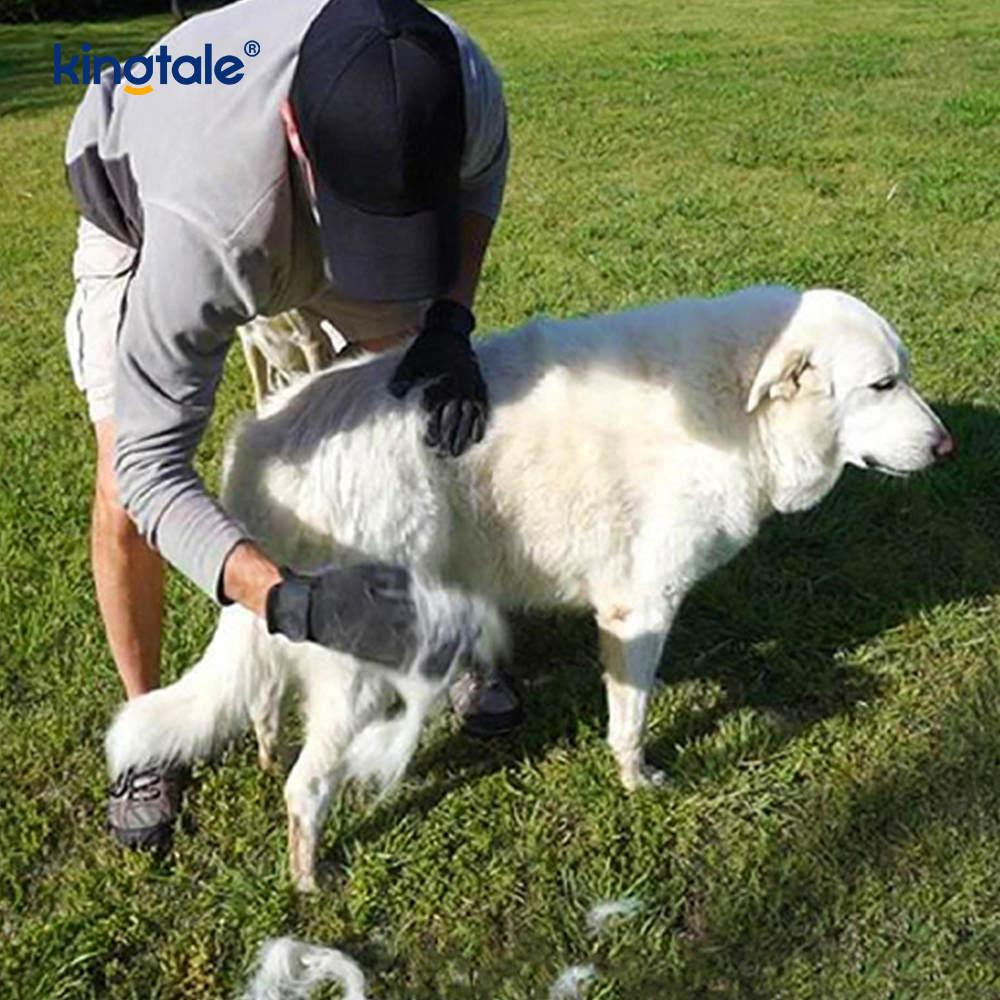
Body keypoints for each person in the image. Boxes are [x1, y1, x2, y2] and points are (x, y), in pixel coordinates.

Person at [64, 0, 522, 851]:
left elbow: (480, 179)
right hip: (141, 200)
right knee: (121, 495)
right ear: (297, 134)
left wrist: (451, 321)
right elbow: (151, 469)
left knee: (410, 395)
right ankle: (147, 737)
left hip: (299, 184)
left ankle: (440, 635)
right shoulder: (207, 222)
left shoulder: (462, 78)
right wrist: (288, 601)